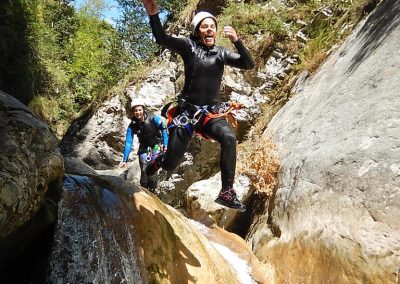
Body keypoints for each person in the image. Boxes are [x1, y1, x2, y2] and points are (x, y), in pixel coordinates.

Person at [141, 0, 255, 211]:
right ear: (197, 31)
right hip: (186, 114)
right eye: (205, 26)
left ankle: (227, 192)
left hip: (210, 115)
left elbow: (248, 64)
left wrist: (237, 41)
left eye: (213, 26)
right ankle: (158, 162)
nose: (210, 29)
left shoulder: (221, 53)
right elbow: (161, 38)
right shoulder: (189, 47)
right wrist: (153, 15)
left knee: (229, 138)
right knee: (170, 165)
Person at [119, 99, 168, 192]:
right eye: (135, 110)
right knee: (144, 171)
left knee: (152, 171)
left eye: (139, 110)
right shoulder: (132, 125)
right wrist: (124, 160)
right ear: (133, 112)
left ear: (143, 110)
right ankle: (144, 192)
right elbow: (129, 142)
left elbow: (164, 129)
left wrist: (165, 145)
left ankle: (152, 192)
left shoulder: (153, 118)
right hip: (144, 148)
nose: (138, 112)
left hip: (156, 146)